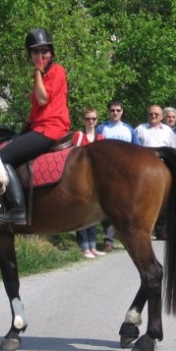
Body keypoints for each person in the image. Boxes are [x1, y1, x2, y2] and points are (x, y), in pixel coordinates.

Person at [0, 28, 70, 225]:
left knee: (2, 157)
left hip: (50, 129)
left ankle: (17, 209)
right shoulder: (42, 75)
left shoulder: (57, 71)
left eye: (44, 51)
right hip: (38, 127)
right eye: (35, 52)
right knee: (3, 145)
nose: (41, 55)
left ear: (51, 52)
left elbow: (43, 99)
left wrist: (37, 69)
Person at [96, 100, 140, 250]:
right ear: (109, 112)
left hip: (126, 174)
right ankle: (108, 239)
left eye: (118, 110)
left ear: (122, 112)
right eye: (112, 110)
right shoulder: (102, 129)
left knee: (127, 206)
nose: (115, 113)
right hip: (107, 173)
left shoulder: (129, 130)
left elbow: (136, 151)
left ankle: (127, 236)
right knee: (108, 207)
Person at [135, 104, 174, 240]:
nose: (153, 116)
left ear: (162, 116)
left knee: (162, 200)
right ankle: (144, 229)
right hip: (145, 170)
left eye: (156, 114)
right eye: (151, 114)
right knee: (144, 200)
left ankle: (161, 231)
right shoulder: (140, 129)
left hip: (163, 169)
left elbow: (172, 150)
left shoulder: (168, 130)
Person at [72, 108, 105, 258]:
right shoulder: (79, 136)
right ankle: (84, 247)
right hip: (80, 177)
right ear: (83, 120)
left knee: (93, 213)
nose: (90, 121)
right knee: (81, 212)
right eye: (87, 118)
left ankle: (93, 246)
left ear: (97, 120)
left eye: (93, 118)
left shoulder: (101, 137)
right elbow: (74, 155)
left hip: (95, 179)